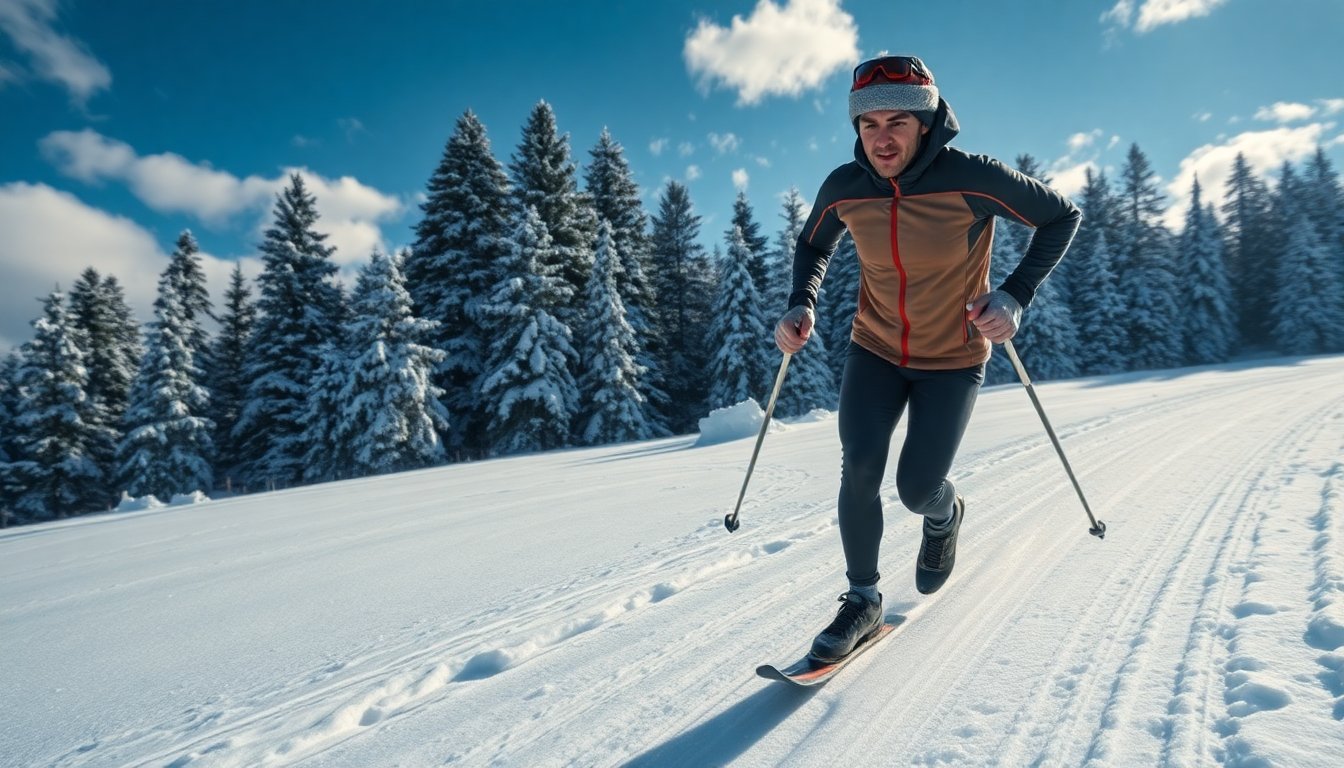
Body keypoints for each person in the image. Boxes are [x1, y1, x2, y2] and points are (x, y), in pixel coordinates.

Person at [775, 55, 1080, 662]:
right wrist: (801, 302)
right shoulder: (845, 187)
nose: (882, 139)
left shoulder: (973, 178)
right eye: (869, 126)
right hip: (876, 348)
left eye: (897, 123)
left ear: (926, 122)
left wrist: (1015, 295)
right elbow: (812, 243)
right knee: (859, 464)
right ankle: (862, 598)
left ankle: (944, 514)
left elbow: (1061, 216)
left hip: (954, 356)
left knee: (917, 488)